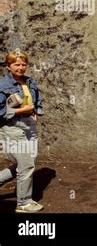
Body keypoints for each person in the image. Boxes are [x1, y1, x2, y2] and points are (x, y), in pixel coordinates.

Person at [0, 50, 44, 213]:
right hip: (12, 128)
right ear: (9, 66)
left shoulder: (29, 81)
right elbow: (1, 111)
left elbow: (37, 99)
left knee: (24, 164)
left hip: (29, 127)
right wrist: (22, 110)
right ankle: (23, 203)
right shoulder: (2, 85)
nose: (20, 67)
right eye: (16, 64)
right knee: (26, 165)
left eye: (23, 64)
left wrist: (35, 112)